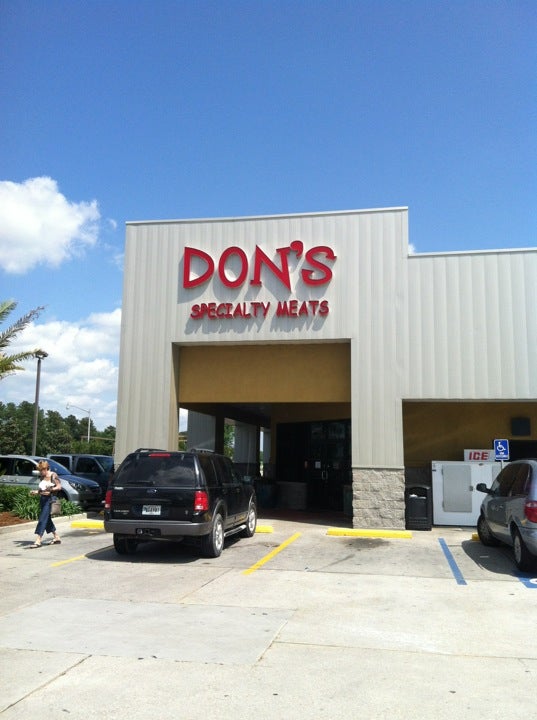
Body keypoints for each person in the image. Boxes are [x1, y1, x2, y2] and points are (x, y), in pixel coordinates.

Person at [28, 460, 62, 548]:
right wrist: (36, 492)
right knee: (47, 519)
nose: (40, 472)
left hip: (50, 499)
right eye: (40, 470)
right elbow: (41, 490)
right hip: (43, 499)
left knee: (42, 519)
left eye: (41, 470)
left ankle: (38, 540)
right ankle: (56, 537)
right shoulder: (41, 477)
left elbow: (59, 487)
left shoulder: (53, 475)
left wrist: (51, 489)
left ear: (46, 468)